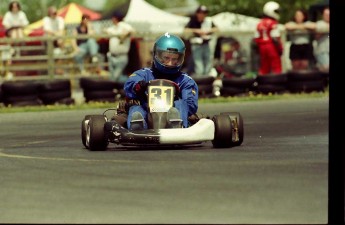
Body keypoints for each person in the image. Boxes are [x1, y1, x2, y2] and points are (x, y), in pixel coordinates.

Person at [122, 33, 198, 130]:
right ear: (156, 54)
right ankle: (137, 127)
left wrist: (175, 102)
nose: (170, 63)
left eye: (174, 59)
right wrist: (139, 86)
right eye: (166, 58)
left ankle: (175, 123)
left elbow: (191, 106)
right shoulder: (144, 74)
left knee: (181, 104)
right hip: (148, 114)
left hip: (174, 113)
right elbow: (130, 85)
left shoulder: (185, 80)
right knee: (136, 108)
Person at [184, 5, 219, 76]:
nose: (202, 14)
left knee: (208, 62)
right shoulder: (193, 20)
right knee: (199, 64)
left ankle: (207, 77)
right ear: (197, 13)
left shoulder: (208, 21)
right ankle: (200, 78)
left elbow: (216, 29)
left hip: (206, 44)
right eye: (200, 12)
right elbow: (186, 30)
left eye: (204, 13)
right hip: (196, 45)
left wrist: (207, 31)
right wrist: (198, 31)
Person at [254, 1, 283, 75]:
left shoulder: (259, 23)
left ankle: (263, 82)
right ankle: (278, 82)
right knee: (276, 66)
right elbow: (275, 37)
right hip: (271, 46)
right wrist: (280, 48)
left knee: (264, 66)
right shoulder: (273, 23)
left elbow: (256, 37)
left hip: (261, 46)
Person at [104, 13, 135, 82]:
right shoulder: (113, 28)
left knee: (115, 77)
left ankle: (131, 82)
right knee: (114, 77)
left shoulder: (124, 25)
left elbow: (132, 31)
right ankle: (118, 90)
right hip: (112, 56)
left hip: (121, 56)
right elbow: (105, 30)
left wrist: (123, 36)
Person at [313, 7, 329, 73]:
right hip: (322, 51)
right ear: (323, 15)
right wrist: (325, 30)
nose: (328, 16)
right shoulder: (319, 24)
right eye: (326, 15)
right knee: (327, 67)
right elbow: (316, 36)